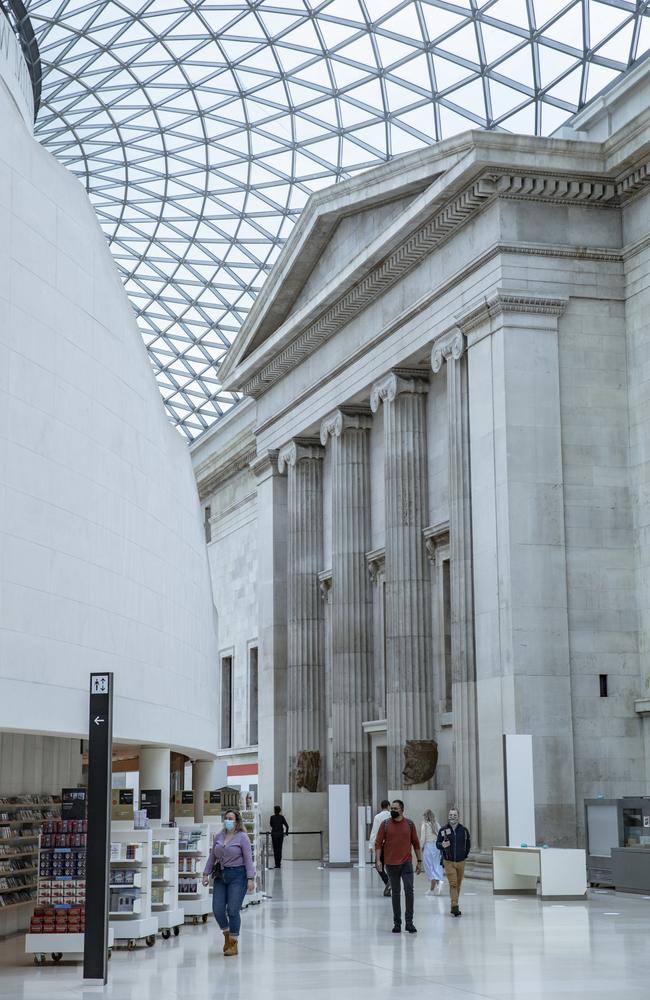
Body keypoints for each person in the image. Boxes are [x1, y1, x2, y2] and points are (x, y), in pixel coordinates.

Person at [203, 809, 255, 955]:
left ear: (237, 821)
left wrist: (250, 878)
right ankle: (226, 934)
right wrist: (205, 874)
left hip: (238, 875)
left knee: (233, 909)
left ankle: (233, 943)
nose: (228, 821)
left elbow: (248, 859)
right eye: (226, 818)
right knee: (218, 909)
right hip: (220, 875)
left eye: (231, 818)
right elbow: (212, 856)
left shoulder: (242, 837)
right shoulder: (219, 836)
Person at [375, 799, 423, 933]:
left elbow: (416, 843)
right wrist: (378, 860)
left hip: (406, 863)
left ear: (402, 810)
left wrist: (419, 861)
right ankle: (397, 923)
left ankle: (409, 923)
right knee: (395, 893)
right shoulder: (385, 825)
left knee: (409, 891)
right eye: (392, 808)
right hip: (391, 864)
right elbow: (378, 843)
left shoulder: (409, 824)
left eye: (396, 809)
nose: (393, 811)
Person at [436, 806, 471, 917]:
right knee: (453, 884)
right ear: (448, 816)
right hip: (448, 861)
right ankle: (454, 905)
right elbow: (437, 843)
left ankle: (454, 904)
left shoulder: (464, 830)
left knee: (458, 884)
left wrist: (464, 855)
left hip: (461, 861)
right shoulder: (443, 830)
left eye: (454, 815)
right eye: (450, 815)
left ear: (458, 817)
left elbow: (468, 844)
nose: (452, 817)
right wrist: (442, 845)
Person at [368, 800, 392, 896]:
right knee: (391, 865)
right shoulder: (392, 816)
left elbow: (374, 831)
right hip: (391, 845)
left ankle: (387, 882)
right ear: (389, 806)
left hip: (381, 845)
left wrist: (371, 845)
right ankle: (391, 882)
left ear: (381, 806)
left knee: (379, 866)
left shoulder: (377, 817)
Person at [420, 809, 444, 895]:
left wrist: (421, 846)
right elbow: (442, 834)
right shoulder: (436, 824)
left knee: (428, 865)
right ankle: (436, 885)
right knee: (437, 865)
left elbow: (423, 838)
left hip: (428, 846)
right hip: (436, 846)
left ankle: (435, 884)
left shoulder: (425, 825)